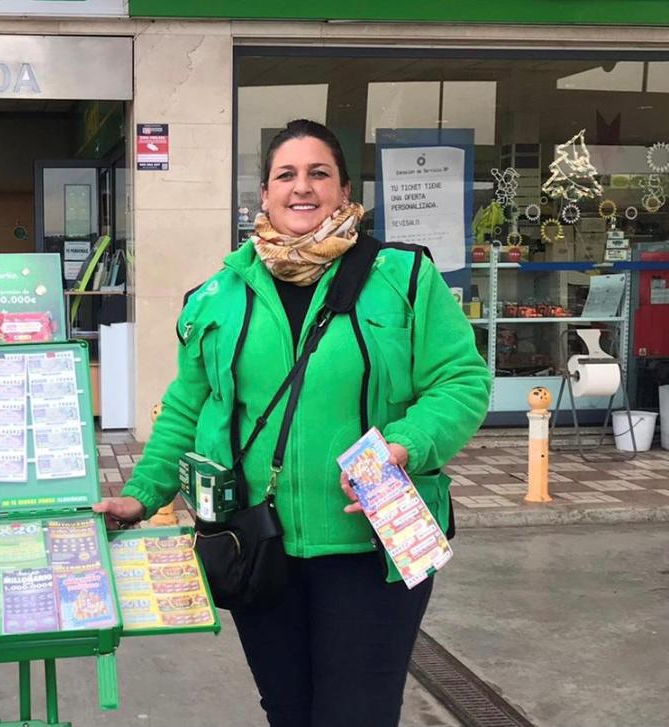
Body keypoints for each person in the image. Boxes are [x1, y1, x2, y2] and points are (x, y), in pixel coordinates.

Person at [94, 119, 491, 727]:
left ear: (344, 190)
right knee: (289, 710)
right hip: (258, 543)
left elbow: (462, 381)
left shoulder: (403, 278)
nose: (302, 187)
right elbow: (185, 407)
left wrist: (406, 443)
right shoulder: (218, 295)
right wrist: (142, 495)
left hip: (374, 544)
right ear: (264, 193)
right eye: (287, 174)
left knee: (355, 713)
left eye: (318, 173)